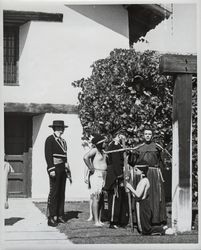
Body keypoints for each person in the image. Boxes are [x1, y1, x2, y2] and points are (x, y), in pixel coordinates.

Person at [128, 127, 167, 225]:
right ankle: (140, 219)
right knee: (142, 195)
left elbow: (162, 162)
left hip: (154, 174)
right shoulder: (138, 147)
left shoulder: (158, 147)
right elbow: (132, 162)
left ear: (152, 135)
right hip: (142, 174)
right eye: (146, 134)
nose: (148, 136)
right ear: (143, 135)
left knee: (155, 196)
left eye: (149, 134)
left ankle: (156, 219)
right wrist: (130, 153)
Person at [125, 165, 173, 235]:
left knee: (145, 230)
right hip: (141, 204)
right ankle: (163, 228)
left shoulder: (144, 181)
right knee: (142, 228)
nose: (135, 172)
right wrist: (129, 190)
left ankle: (163, 230)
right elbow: (136, 195)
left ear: (141, 171)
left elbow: (138, 195)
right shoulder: (143, 180)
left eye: (136, 170)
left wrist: (130, 187)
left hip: (142, 205)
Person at [45, 120, 72, 227]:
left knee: (61, 192)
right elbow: (48, 155)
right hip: (55, 167)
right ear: (57, 128)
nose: (63, 129)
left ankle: (60, 215)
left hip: (62, 168)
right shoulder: (50, 139)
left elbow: (65, 156)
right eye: (61, 127)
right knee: (54, 192)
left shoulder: (63, 141)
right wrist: (51, 169)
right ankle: (52, 217)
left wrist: (67, 168)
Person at [104, 130, 129, 229]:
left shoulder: (120, 146)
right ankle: (113, 221)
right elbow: (115, 162)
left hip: (119, 175)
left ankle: (120, 220)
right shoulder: (114, 146)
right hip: (115, 176)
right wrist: (119, 175)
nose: (124, 138)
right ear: (117, 136)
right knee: (115, 198)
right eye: (122, 136)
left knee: (120, 199)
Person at [83, 134, 107, 227]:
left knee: (100, 199)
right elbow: (85, 157)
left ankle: (99, 219)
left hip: (103, 175)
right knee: (96, 198)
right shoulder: (95, 150)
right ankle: (96, 221)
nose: (105, 143)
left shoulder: (103, 151)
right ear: (100, 143)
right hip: (96, 175)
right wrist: (91, 167)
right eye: (104, 142)